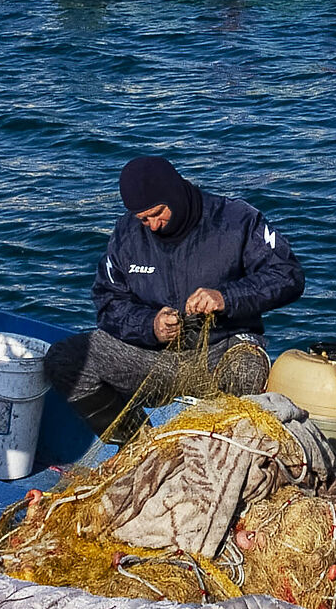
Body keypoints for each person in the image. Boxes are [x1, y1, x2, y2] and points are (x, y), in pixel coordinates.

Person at [42, 156, 305, 443]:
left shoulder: (237, 219)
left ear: (175, 194)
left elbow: (287, 276)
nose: (153, 225)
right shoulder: (126, 234)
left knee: (246, 372)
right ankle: (137, 445)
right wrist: (150, 325)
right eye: (143, 219)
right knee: (66, 359)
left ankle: (224, 448)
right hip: (156, 357)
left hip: (224, 348)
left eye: (158, 213)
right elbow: (107, 302)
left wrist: (225, 297)